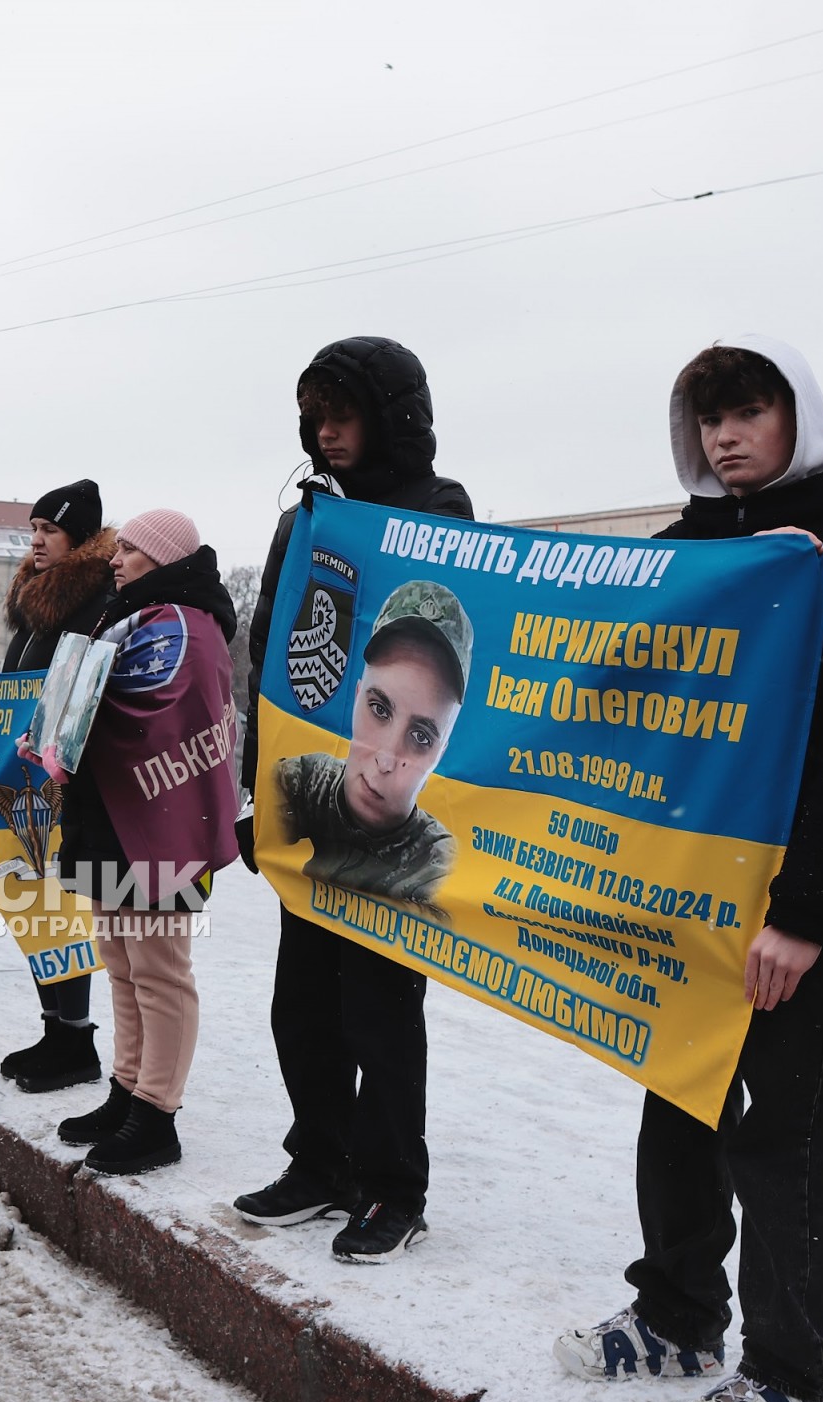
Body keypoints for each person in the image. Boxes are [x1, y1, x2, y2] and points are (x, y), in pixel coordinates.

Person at [552, 335, 823, 1402]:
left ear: (795, 417)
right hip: (677, 908)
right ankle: (675, 1314)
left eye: (746, 411)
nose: (723, 436)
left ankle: (795, 1375)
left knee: (784, 1146)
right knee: (674, 1111)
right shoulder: (690, 552)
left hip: (780, 917)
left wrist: (810, 912)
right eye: (705, 417)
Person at [234, 337, 475, 1262]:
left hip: (394, 815)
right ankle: (320, 1159)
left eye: (344, 414)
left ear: (391, 416)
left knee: (379, 1008)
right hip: (312, 807)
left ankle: (391, 1187)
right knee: (303, 1004)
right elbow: (275, 669)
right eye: (315, 418)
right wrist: (260, 793)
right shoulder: (308, 521)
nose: (327, 434)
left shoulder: (438, 510)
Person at [45, 509, 238, 1177]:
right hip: (115, 817)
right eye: (118, 546)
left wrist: (72, 718)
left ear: (163, 558)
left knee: (159, 970)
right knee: (122, 963)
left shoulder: (186, 624)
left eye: (130, 548)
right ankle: (127, 1091)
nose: (115, 558)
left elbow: (153, 711)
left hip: (163, 824)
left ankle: (157, 1115)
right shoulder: (137, 617)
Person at [0, 479, 117, 1093]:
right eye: (34, 529)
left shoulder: (98, 600)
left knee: (66, 906)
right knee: (35, 903)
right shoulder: (36, 601)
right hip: (26, 774)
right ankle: (53, 1029)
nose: (37, 540)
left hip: (67, 776)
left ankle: (76, 1038)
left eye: (50, 530)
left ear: (80, 538)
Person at [272, 580, 467, 908]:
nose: (387, 760)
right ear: (358, 696)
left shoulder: (442, 869)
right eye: (379, 709)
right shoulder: (303, 781)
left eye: (421, 737)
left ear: (441, 752)